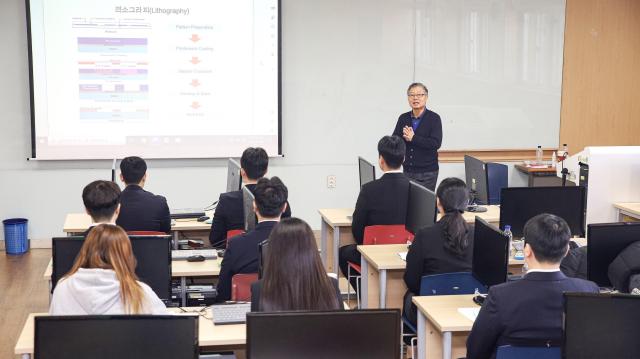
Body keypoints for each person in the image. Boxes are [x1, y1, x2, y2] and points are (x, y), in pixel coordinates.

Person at [466, 214, 599, 359]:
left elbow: (475, 350)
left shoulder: (500, 295)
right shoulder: (589, 291)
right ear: (567, 250)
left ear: (527, 250)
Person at [338, 135, 410, 291]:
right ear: (403, 159)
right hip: (406, 253)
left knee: (342, 253)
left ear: (381, 160)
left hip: (374, 251)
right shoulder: (416, 189)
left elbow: (357, 230)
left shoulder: (369, 189)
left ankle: (366, 296)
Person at [49, 224, 167, 315]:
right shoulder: (140, 293)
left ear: (86, 251)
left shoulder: (63, 288)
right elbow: (165, 328)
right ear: (126, 256)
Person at [402, 177, 474, 327]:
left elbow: (412, 280)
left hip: (430, 308)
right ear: (466, 204)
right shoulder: (477, 234)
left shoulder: (424, 234)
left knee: (409, 296)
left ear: (438, 202)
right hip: (468, 308)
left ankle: (411, 346)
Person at [215, 176, 288, 302]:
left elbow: (223, 291)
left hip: (244, 314)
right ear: (285, 207)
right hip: (288, 314)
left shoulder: (236, 244)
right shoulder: (298, 243)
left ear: (254, 206)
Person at [251, 217, 341, 311]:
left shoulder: (259, 290)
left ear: (273, 251)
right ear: (312, 250)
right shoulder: (331, 285)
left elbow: (255, 325)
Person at [209, 147, 292, 248]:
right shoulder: (278, 198)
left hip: (236, 253)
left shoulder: (226, 200)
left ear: (242, 172)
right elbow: (287, 235)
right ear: (266, 171)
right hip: (274, 255)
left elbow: (215, 239)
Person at [392, 82, 442, 191]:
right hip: (407, 171)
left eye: (419, 95)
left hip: (427, 173)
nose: (415, 98)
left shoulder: (434, 118)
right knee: (407, 204)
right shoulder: (403, 118)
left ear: (426, 97)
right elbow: (395, 140)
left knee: (423, 206)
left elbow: (435, 143)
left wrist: (413, 138)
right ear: (408, 98)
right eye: (411, 95)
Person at [116, 156, 171, 233]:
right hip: (152, 245)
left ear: (121, 177)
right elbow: (166, 230)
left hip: (121, 245)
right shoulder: (160, 202)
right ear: (144, 177)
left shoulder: (112, 203)